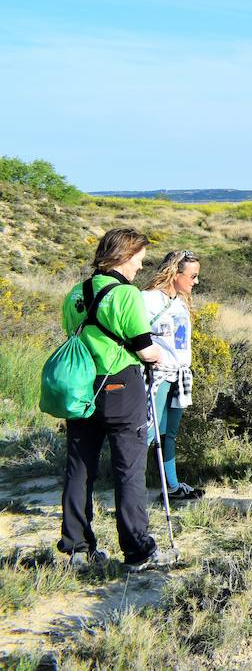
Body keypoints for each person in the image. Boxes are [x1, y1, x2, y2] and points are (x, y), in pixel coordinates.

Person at [58, 228, 172, 570]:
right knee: (128, 471)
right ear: (124, 255)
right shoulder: (127, 295)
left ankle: (78, 548)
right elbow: (144, 347)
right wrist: (159, 358)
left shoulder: (75, 294)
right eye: (139, 257)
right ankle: (137, 550)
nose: (140, 265)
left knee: (79, 467)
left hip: (81, 388)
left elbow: (72, 336)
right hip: (121, 387)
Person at [142, 250, 203, 500]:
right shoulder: (146, 299)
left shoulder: (180, 301)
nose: (196, 281)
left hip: (179, 376)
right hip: (156, 375)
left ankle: (173, 486)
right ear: (175, 273)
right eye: (193, 276)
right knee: (146, 432)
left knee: (169, 433)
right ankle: (132, 490)